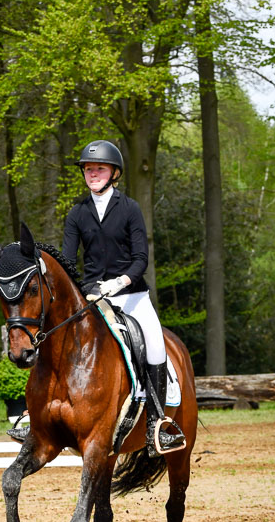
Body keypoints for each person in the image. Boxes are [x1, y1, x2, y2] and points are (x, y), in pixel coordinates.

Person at [61, 139, 184, 453]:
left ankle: (157, 427)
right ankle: (36, 417)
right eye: (88, 169)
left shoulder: (129, 208)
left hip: (131, 296)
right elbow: (66, 261)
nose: (93, 174)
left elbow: (141, 257)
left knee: (155, 345)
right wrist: (79, 292)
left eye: (99, 168)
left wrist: (119, 282)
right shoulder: (77, 213)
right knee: (56, 340)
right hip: (92, 299)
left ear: (113, 172)